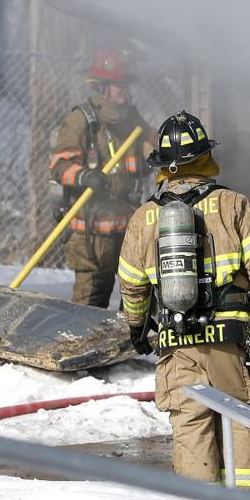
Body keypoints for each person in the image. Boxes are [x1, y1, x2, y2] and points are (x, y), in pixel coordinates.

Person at [118, 111, 250, 488]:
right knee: (238, 414)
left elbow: (131, 284)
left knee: (190, 420)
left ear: (163, 166)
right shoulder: (234, 204)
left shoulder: (144, 218)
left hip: (177, 343)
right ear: (206, 158)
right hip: (229, 337)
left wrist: (137, 328)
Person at [49, 49, 151, 307]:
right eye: (120, 85)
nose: (126, 91)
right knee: (89, 307)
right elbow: (59, 166)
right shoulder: (81, 120)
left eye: (127, 85)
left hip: (126, 227)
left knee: (137, 302)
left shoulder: (132, 120)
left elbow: (155, 144)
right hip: (90, 234)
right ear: (102, 87)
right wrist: (84, 176)